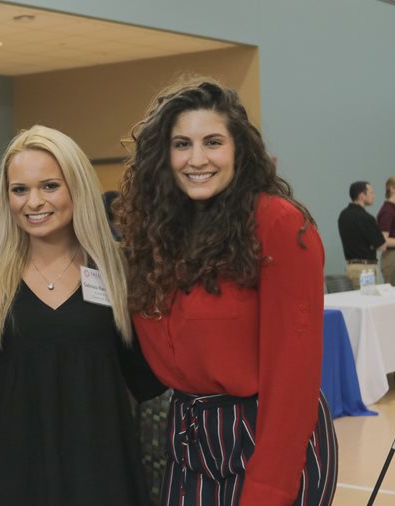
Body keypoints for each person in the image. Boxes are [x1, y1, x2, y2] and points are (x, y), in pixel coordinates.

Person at [116, 78, 337, 505]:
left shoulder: (278, 224)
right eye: (181, 144)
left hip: (267, 438)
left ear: (239, 149)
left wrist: (269, 490)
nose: (196, 159)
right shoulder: (158, 234)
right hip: (188, 438)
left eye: (212, 142)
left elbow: (293, 376)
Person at [0, 125, 162, 506]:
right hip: (9, 475)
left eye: (50, 186)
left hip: (101, 472)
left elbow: (145, 377)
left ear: (77, 187)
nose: (33, 202)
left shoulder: (121, 270)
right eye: (19, 189)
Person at [337, 181, 386, 288]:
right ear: (362, 195)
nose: (373, 195)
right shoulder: (367, 218)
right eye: (371, 192)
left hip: (351, 268)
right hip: (366, 269)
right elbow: (382, 246)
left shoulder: (343, 215)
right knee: (370, 301)